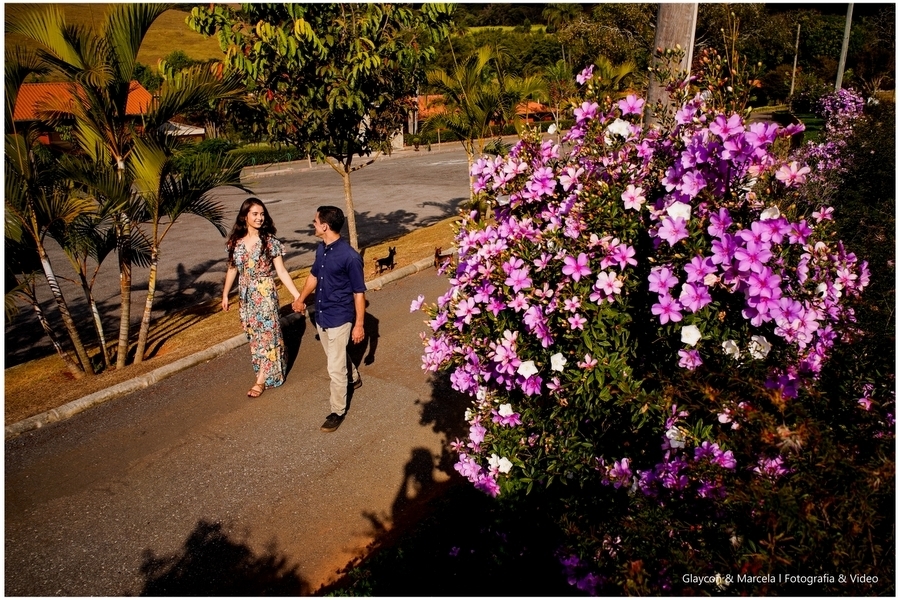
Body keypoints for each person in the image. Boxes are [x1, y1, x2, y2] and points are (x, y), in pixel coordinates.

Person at [292, 206, 366, 432]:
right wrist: (301, 298)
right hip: (322, 315)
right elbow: (314, 276)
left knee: (334, 368)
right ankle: (353, 376)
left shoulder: (350, 257)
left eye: (315, 221)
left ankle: (337, 411)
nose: (313, 224)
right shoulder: (321, 249)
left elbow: (359, 292)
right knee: (336, 355)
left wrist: (359, 324)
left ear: (324, 226)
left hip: (340, 316)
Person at [222, 197, 301, 397]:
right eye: (255, 214)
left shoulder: (270, 242)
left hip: (265, 293)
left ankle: (261, 380)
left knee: (267, 334)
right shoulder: (235, 243)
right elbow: (232, 269)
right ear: (245, 216)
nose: (259, 218)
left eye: (262, 214)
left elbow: (281, 271)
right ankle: (271, 367)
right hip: (246, 295)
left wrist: (297, 295)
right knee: (255, 336)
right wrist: (225, 294)